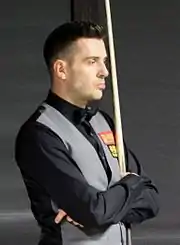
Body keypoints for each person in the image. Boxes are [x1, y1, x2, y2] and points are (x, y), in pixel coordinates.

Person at [15, 21, 159, 245]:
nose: (105, 72)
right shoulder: (39, 134)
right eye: (92, 62)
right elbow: (93, 212)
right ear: (61, 69)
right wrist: (131, 184)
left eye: (104, 61)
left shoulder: (105, 122)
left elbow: (151, 200)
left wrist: (104, 212)